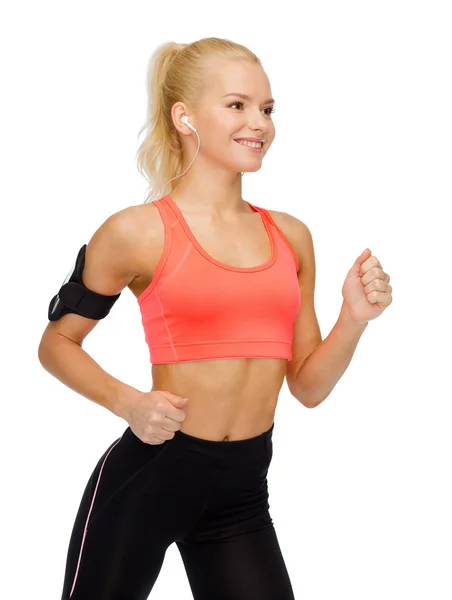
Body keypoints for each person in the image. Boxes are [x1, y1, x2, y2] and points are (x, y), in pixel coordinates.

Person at [38, 36, 392, 600]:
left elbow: (307, 386)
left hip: (241, 496)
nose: (261, 123)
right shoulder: (136, 232)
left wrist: (355, 318)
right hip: (148, 482)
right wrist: (129, 402)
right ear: (184, 117)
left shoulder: (290, 236)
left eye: (268, 109)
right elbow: (57, 343)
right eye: (237, 105)